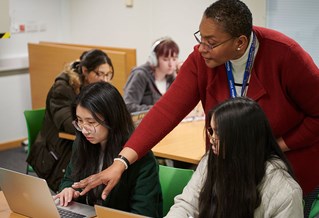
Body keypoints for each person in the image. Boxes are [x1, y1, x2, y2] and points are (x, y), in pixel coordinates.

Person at [73, 0, 319, 199]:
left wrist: (276, 145)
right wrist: (121, 162)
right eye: (200, 38)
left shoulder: (285, 55)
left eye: (211, 42)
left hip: (285, 170)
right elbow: (166, 111)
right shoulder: (202, 60)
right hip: (229, 168)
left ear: (240, 43)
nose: (202, 48)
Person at [165, 97, 303, 218]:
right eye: (211, 131)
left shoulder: (285, 192)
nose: (212, 139)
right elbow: (186, 205)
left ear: (241, 139)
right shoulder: (211, 161)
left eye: (218, 132)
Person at [54, 82, 162, 218]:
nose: (84, 130)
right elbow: (69, 178)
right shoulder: (82, 144)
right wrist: (68, 189)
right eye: (79, 121)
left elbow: (143, 213)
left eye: (91, 122)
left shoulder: (139, 157)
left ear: (112, 118)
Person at [27, 49, 114, 192]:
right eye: (99, 74)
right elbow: (69, 124)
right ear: (85, 71)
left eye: (108, 74)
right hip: (57, 151)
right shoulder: (62, 88)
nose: (105, 80)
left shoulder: (94, 88)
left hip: (80, 143)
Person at [123, 37, 180, 113]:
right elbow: (128, 106)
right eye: (165, 59)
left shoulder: (171, 78)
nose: (171, 64)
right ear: (154, 59)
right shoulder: (140, 75)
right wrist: (158, 109)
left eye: (174, 59)